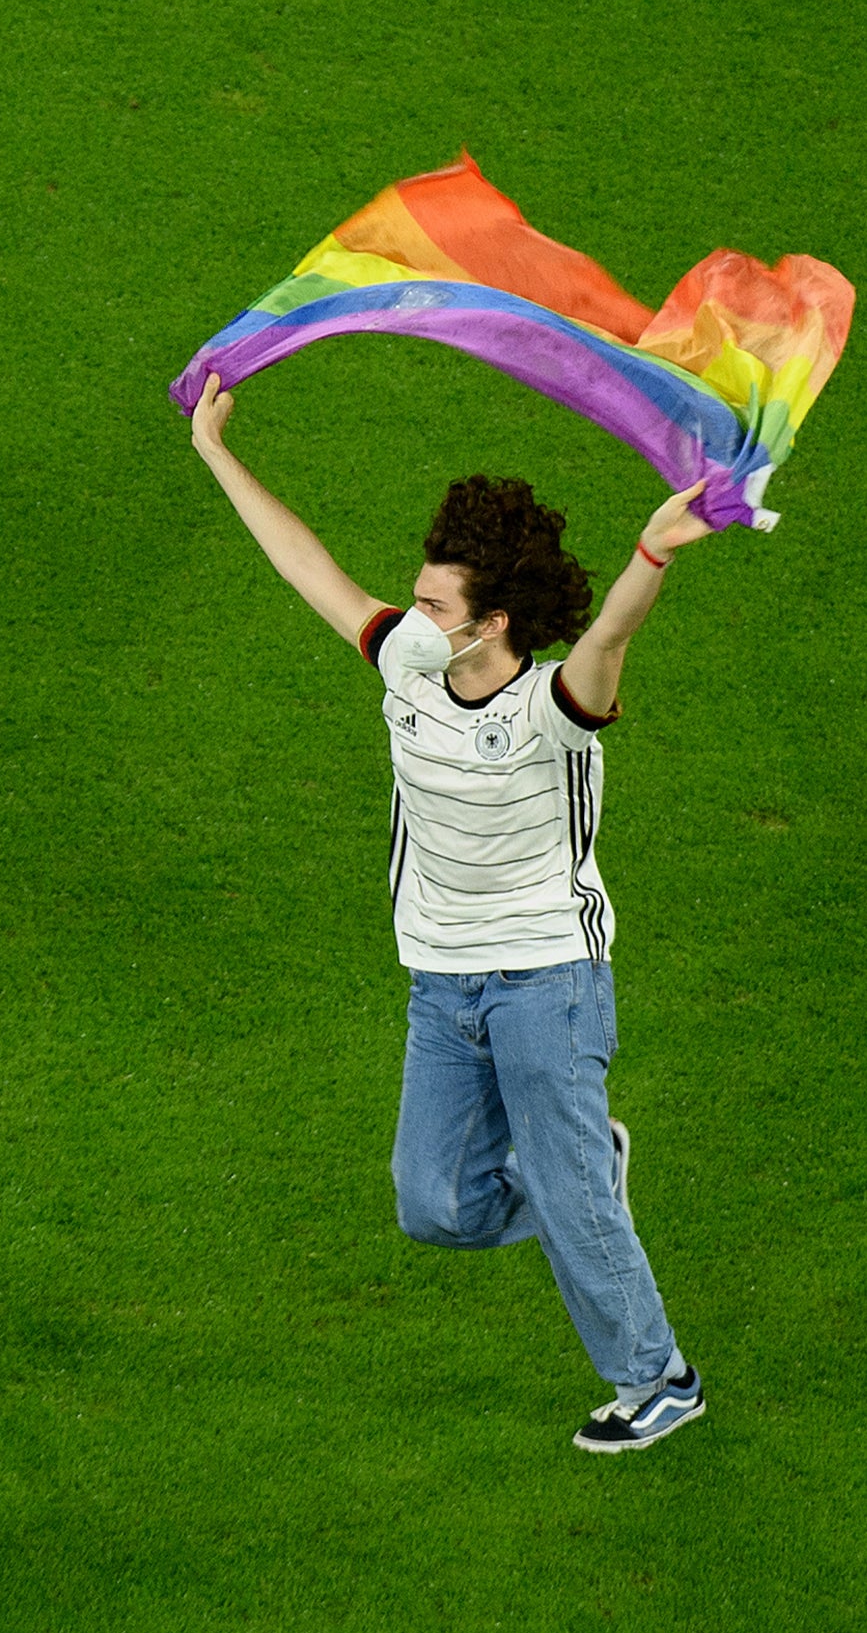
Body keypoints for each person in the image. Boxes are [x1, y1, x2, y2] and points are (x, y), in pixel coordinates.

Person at [188, 370, 710, 1454]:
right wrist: (217, 453)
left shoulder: (555, 709)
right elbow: (304, 564)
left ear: (495, 625)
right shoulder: (410, 667)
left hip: (547, 980)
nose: (412, 617)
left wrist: (652, 550)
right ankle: (581, 1175)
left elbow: (612, 635)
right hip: (440, 979)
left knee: (567, 1199)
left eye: (435, 606)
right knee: (435, 1206)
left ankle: (658, 1380)